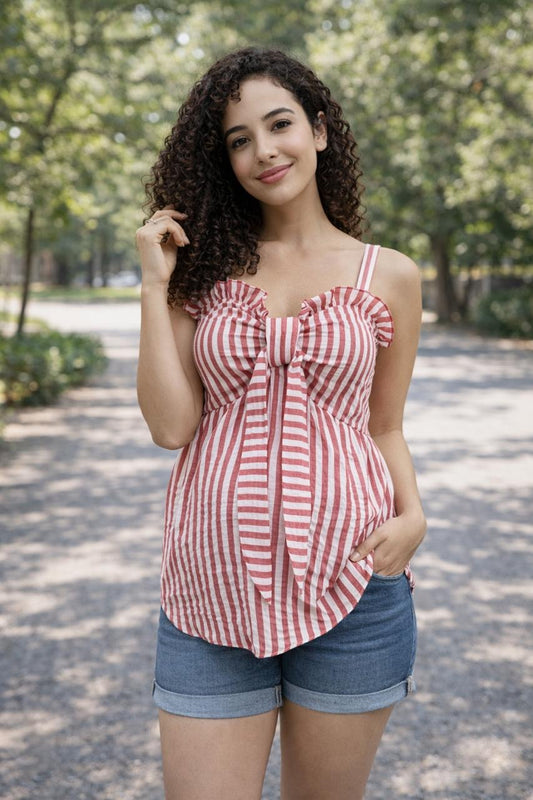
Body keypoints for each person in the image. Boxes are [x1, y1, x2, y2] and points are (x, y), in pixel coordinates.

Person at [135, 45, 426, 800]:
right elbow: (171, 428)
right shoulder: (200, 272)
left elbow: (383, 424)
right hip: (211, 588)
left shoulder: (386, 274)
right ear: (222, 159)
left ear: (319, 130)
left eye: (279, 124)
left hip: (354, 586)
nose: (263, 150)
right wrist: (152, 285)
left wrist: (414, 515)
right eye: (238, 139)